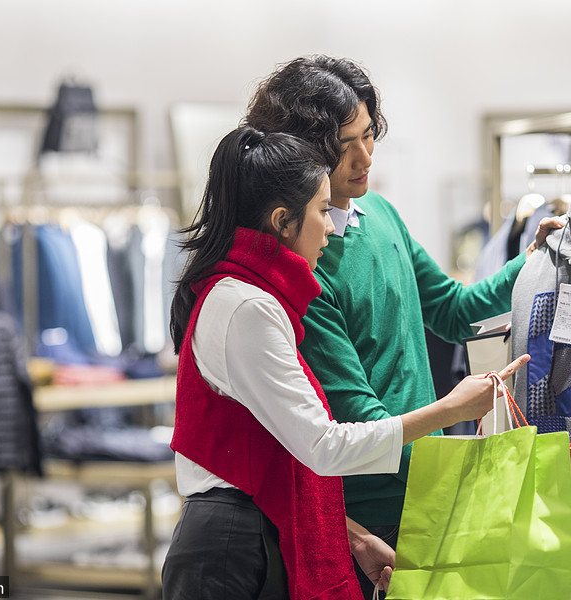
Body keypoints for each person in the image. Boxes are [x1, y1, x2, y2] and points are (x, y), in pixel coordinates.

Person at [162, 124, 529, 600]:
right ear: (281, 220)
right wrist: (451, 411)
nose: (333, 226)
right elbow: (323, 444)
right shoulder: (249, 307)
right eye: (321, 210)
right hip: (233, 544)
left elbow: (285, 450)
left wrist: (351, 537)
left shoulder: (256, 293)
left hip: (255, 527)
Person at [245, 55, 563, 598]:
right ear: (301, 150)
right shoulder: (303, 266)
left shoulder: (382, 215)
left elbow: (455, 309)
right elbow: (355, 414)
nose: (364, 156)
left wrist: (530, 258)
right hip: (372, 518)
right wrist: (463, 474)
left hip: (431, 488)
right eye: (345, 145)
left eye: (370, 135)